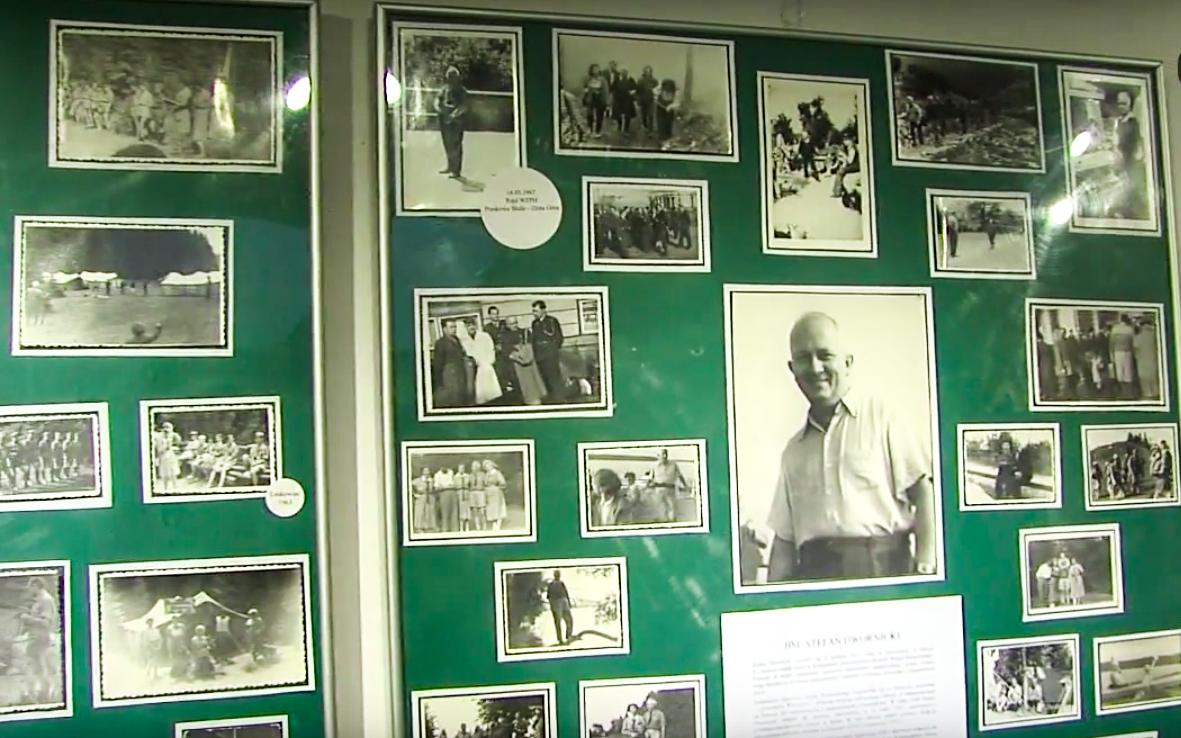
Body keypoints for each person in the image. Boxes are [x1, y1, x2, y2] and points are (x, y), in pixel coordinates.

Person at [765, 312, 936, 582]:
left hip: (883, 576)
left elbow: (924, 495)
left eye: (825, 355)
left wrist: (926, 566)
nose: (815, 368)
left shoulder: (884, 418)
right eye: (803, 358)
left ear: (847, 362)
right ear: (792, 368)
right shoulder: (793, 451)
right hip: (813, 580)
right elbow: (784, 542)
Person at [21, 577, 59, 702]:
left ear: (36, 586)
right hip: (35, 637)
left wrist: (27, 618)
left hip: (40, 637)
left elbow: (46, 622)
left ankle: (41, 692)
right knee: (36, 665)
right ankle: (40, 692)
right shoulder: (40, 600)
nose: (29, 590)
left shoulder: (46, 600)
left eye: (30, 587)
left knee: (35, 665)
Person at [1111, 89, 1147, 220]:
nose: (1121, 106)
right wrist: (1116, 151)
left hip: (1132, 159)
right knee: (1123, 185)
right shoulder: (1118, 121)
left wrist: (1140, 156)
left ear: (1129, 104)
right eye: (1119, 103)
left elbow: (1139, 141)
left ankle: (1134, 213)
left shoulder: (1133, 121)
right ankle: (1126, 211)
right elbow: (1115, 140)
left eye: (1124, 103)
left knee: (1132, 187)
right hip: (1123, 159)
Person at [504, 316, 545, 406]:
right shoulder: (505, 336)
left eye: (515, 323)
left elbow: (532, 345)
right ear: (507, 325)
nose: (514, 325)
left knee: (532, 384)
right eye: (511, 324)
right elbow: (505, 351)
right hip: (515, 367)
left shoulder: (524, 332)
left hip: (528, 364)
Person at [436, 66, 468, 180]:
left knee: (456, 145)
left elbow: (464, 106)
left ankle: (456, 170)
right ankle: (450, 166)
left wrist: (453, 116)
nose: (450, 79)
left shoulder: (462, 90)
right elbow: (438, 100)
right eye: (449, 76)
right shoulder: (444, 89)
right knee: (447, 144)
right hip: (444, 120)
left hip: (456, 122)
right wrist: (439, 109)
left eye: (453, 77)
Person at [530, 301, 565, 402]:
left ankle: (560, 400)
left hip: (550, 356)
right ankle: (551, 400)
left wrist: (552, 351)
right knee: (545, 379)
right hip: (540, 357)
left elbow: (559, 338)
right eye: (533, 311)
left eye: (536, 311)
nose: (534, 313)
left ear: (543, 310)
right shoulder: (534, 323)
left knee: (554, 379)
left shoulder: (552, 321)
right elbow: (534, 340)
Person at [462, 322, 503, 405]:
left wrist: (489, 362)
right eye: (468, 326)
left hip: (487, 366)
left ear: (476, 325)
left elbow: (491, 349)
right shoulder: (464, 340)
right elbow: (468, 353)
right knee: (481, 394)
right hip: (476, 368)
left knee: (491, 391)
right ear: (466, 328)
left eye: (472, 325)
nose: (471, 327)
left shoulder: (485, 336)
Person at [432, 320, 469, 408]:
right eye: (451, 327)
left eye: (455, 327)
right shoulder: (440, 343)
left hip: (460, 372)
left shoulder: (456, 340)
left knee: (462, 397)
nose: (454, 329)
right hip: (450, 375)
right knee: (454, 399)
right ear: (444, 329)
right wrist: (439, 381)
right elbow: (438, 363)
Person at [649, 449, 688, 522]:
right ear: (658, 456)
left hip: (670, 489)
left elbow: (680, 476)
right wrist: (648, 486)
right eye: (662, 454)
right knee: (660, 509)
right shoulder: (654, 465)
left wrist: (685, 485)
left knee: (672, 508)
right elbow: (650, 478)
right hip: (658, 490)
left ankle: (672, 522)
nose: (664, 456)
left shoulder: (673, 464)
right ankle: (661, 522)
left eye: (666, 454)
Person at [1109, 315, 1136, 399]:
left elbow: (1111, 343)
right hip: (1128, 352)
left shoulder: (1115, 329)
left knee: (1119, 372)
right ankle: (1129, 392)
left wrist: (1111, 355)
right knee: (1128, 372)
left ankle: (1121, 392)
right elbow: (1133, 343)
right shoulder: (1130, 329)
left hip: (1117, 352)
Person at [1133, 317, 1159, 400]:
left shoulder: (1138, 337)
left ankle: (1147, 394)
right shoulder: (1155, 335)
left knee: (1144, 378)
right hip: (1154, 359)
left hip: (1142, 361)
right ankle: (1156, 392)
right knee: (1154, 376)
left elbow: (1135, 351)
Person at [545, 569, 574, 645]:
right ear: (555, 575)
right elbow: (549, 597)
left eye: (558, 574)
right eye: (557, 574)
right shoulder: (551, 584)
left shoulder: (561, 583)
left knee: (569, 620)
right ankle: (560, 639)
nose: (558, 576)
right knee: (558, 622)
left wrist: (568, 602)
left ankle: (568, 635)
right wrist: (552, 606)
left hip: (563, 602)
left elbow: (566, 594)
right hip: (557, 603)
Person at [582, 64, 608, 138]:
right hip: (591, 99)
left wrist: (605, 100)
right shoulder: (588, 79)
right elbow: (585, 89)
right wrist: (586, 95)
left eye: (597, 69)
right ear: (591, 70)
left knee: (599, 115)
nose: (596, 71)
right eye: (594, 69)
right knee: (589, 114)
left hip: (600, 99)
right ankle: (590, 129)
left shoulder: (602, 79)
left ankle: (597, 131)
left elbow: (605, 90)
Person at [654, 79, 679, 149]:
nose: (667, 93)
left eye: (669, 91)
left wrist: (670, 106)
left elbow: (677, 103)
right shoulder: (660, 90)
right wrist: (658, 87)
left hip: (669, 112)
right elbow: (654, 92)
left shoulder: (676, 93)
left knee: (668, 126)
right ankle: (661, 142)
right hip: (660, 109)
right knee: (661, 126)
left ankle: (667, 141)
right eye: (665, 90)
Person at [483, 459, 507, 531]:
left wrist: (497, 487)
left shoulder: (497, 473)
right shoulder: (487, 474)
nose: (486, 467)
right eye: (485, 466)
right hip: (489, 493)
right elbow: (485, 483)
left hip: (496, 493)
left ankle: (498, 525)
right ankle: (494, 524)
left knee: (497, 508)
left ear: (491, 465)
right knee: (491, 509)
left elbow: (502, 482)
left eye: (488, 466)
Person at [612, 68, 638, 135]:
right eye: (622, 72)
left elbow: (635, 88)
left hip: (627, 100)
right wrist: (614, 95)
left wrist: (632, 92)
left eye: (625, 72)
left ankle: (626, 129)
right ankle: (619, 127)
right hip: (618, 100)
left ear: (627, 73)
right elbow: (612, 88)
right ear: (620, 73)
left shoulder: (631, 80)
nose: (624, 73)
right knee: (618, 115)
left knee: (627, 116)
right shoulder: (617, 80)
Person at [433, 466, 458, 532]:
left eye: (446, 467)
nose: (444, 468)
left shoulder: (451, 472)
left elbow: (454, 484)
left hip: (453, 493)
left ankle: (454, 528)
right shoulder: (437, 475)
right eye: (443, 467)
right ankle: (445, 528)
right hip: (443, 494)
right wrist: (445, 487)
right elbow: (437, 487)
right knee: (445, 512)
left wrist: (447, 486)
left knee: (454, 512)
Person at [636, 66, 658, 132]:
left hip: (650, 99)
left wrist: (655, 94)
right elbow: (638, 90)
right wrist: (638, 99)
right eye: (646, 71)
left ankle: (650, 129)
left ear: (651, 72)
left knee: (651, 115)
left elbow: (657, 88)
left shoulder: (654, 80)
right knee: (644, 114)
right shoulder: (641, 80)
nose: (648, 73)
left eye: (649, 71)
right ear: (644, 72)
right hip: (643, 100)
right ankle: (645, 125)